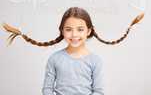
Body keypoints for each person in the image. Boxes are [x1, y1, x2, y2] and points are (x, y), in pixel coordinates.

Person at [1, 7, 144, 95]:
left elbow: (99, 91)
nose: (74, 35)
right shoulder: (54, 59)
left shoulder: (95, 61)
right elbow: (47, 89)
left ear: (88, 31)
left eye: (80, 29)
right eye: (68, 29)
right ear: (62, 31)